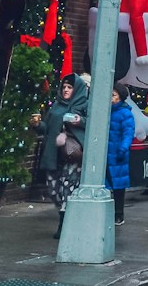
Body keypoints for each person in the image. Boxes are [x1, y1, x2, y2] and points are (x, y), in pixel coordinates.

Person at [33, 73, 89, 240]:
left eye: (69, 87)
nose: (66, 90)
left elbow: (92, 122)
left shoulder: (84, 104)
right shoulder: (56, 106)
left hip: (72, 154)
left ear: (76, 89)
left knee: (68, 188)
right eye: (64, 87)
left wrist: (79, 121)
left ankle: (63, 225)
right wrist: (37, 125)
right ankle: (65, 214)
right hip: (54, 153)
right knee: (53, 189)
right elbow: (47, 128)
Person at [107, 83, 135, 227]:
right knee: (107, 184)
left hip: (117, 154)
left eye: (113, 95)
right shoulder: (106, 111)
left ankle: (119, 214)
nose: (111, 98)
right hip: (107, 153)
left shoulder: (125, 113)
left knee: (118, 187)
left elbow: (128, 133)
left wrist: (123, 148)